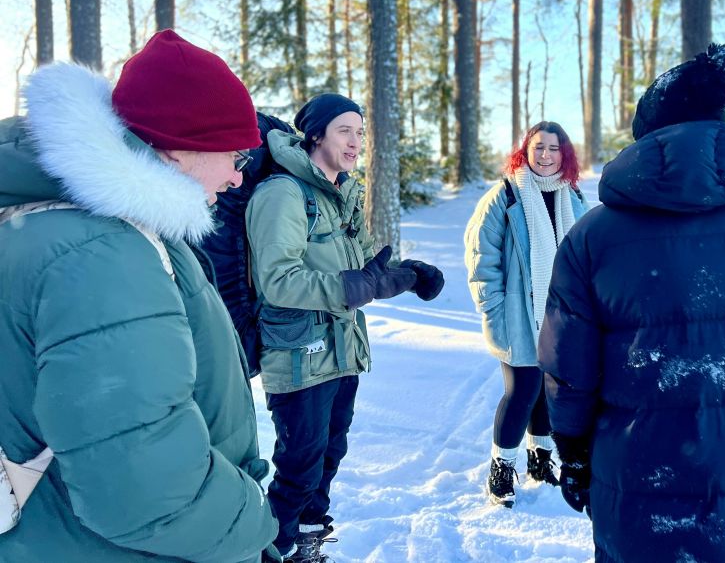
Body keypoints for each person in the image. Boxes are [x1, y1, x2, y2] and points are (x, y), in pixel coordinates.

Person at [537, 44, 725, 561]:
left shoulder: (594, 236)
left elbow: (567, 362)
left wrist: (573, 451)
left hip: (639, 483)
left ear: (648, 138)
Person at [0, 30, 278, 562]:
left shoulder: (49, 226)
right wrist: (250, 526)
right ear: (180, 147)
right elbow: (144, 493)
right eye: (235, 154)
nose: (237, 177)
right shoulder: (101, 255)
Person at [246, 93, 445, 563]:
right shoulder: (283, 194)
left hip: (342, 349)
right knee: (298, 466)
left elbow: (362, 274)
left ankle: (307, 544)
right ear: (316, 135)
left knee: (328, 456)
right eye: (345, 131)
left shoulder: (339, 196)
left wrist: (407, 274)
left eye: (360, 132)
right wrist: (349, 285)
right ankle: (271, 551)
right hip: (298, 354)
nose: (357, 141)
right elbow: (278, 280)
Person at [464, 121, 589, 507]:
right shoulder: (505, 196)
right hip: (517, 313)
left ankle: (540, 460)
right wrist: (494, 310)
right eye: (539, 147)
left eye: (554, 148)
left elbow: (584, 259)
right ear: (525, 150)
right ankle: (501, 470)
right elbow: (482, 259)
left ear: (564, 155)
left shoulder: (574, 198)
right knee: (521, 392)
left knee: (547, 392)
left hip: (560, 315)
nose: (546, 155)